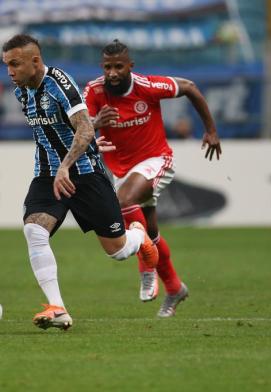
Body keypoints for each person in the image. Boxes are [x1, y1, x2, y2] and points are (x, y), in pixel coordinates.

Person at [2, 34, 159, 330]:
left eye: (15, 64)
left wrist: (67, 164)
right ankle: (58, 308)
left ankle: (139, 235)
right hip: (48, 174)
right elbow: (71, 125)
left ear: (35, 61)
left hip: (86, 174)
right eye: (6, 64)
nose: (9, 71)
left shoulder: (60, 82)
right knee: (34, 229)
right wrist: (59, 166)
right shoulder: (21, 91)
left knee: (118, 250)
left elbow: (84, 128)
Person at [84, 39, 222, 317]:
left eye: (118, 67)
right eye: (108, 67)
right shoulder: (94, 90)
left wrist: (210, 130)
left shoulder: (147, 86)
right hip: (120, 169)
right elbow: (80, 126)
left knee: (124, 202)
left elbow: (190, 88)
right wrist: (96, 123)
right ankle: (174, 287)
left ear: (130, 67)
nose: (112, 73)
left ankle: (146, 265)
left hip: (155, 159)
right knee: (152, 231)